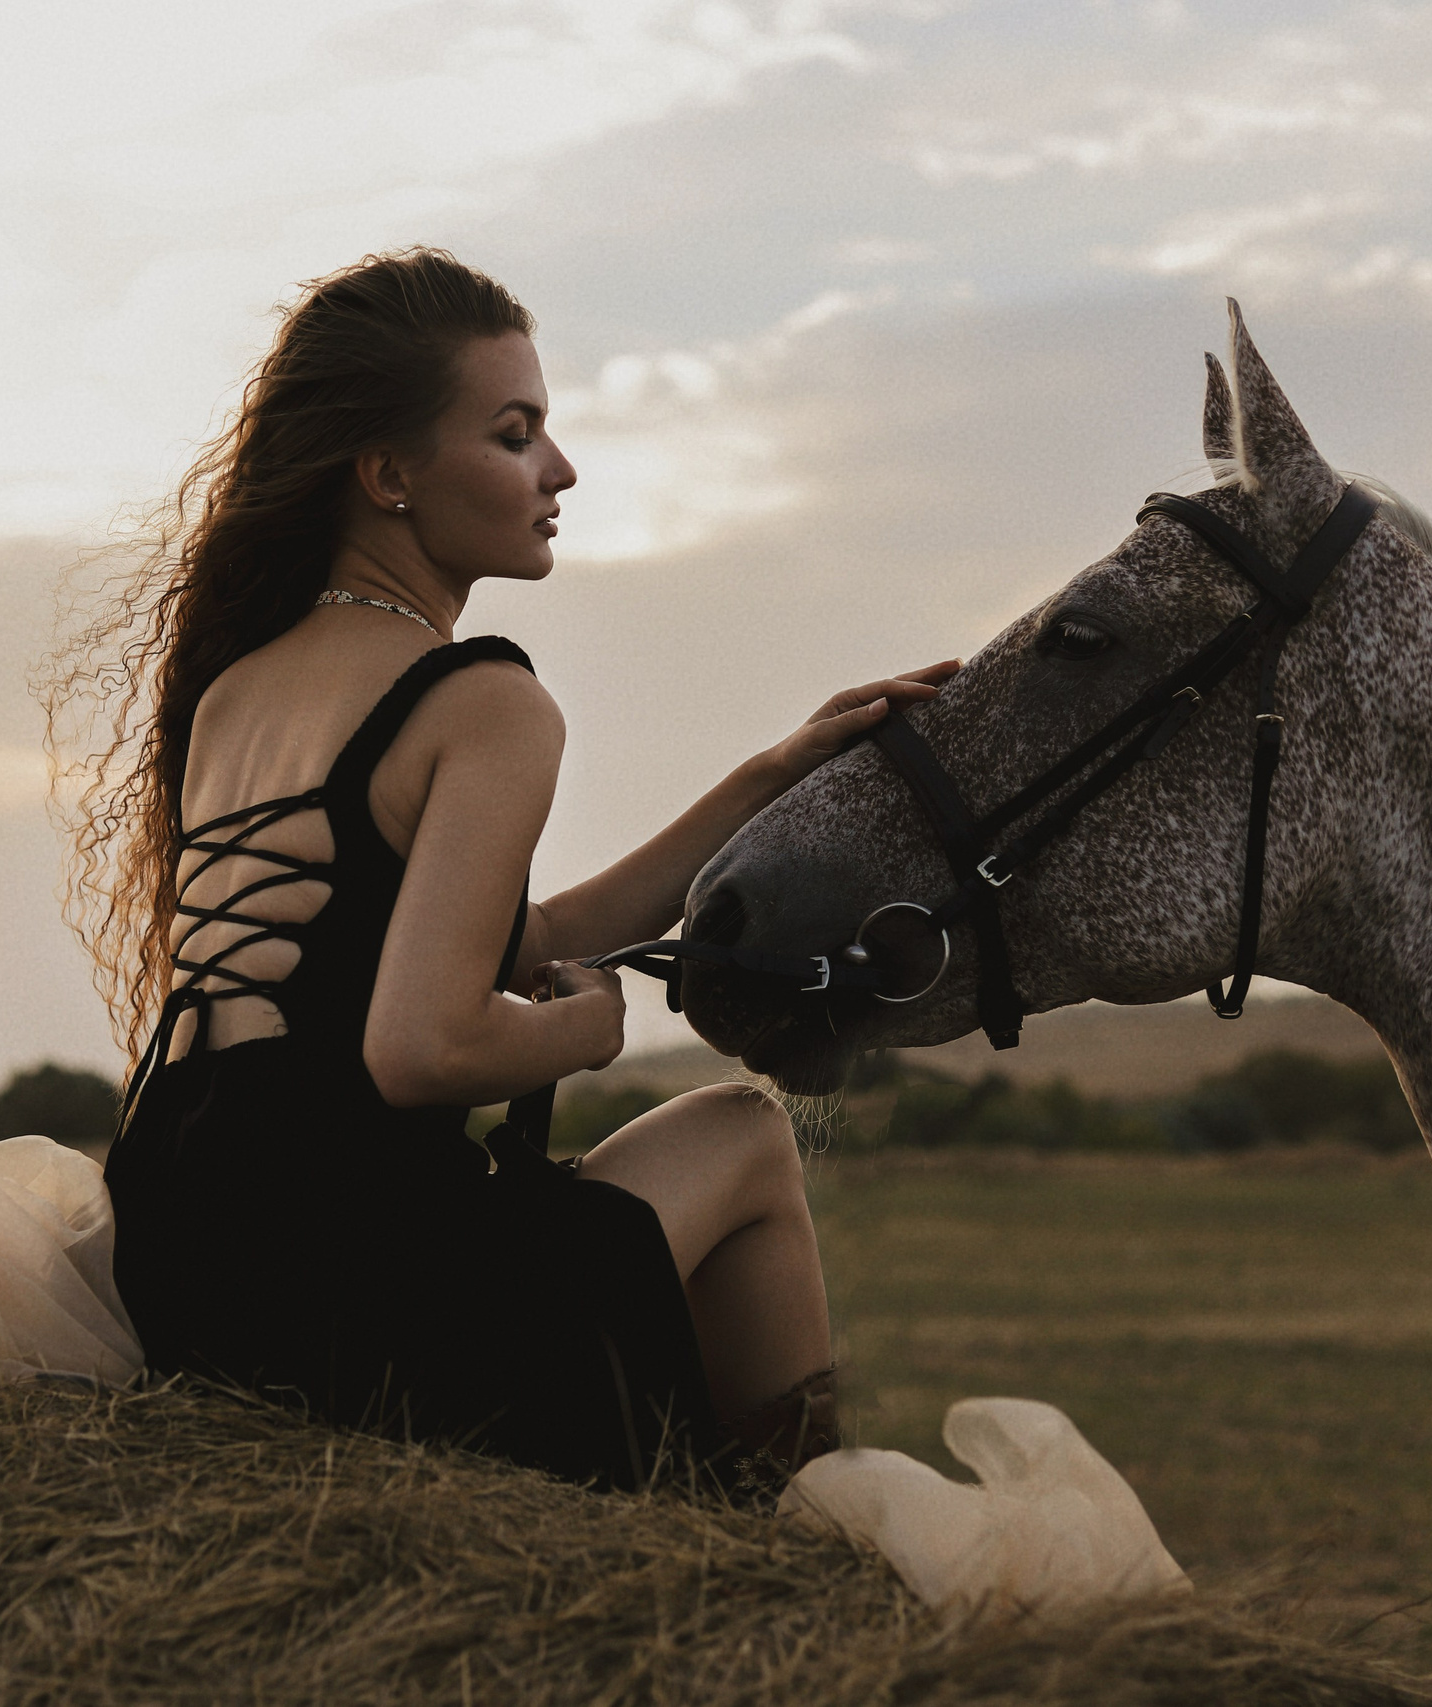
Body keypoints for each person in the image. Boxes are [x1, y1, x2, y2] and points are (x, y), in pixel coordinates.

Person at [50, 248, 954, 1492]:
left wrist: (765, 775)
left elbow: (493, 941)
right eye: (515, 432)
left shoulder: (236, 689)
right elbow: (423, 1048)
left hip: (182, 1251)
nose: (559, 469)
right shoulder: (483, 700)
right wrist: (588, 1036)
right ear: (389, 475)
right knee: (746, 1131)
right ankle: (789, 1550)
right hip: (354, 1284)